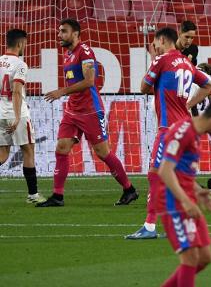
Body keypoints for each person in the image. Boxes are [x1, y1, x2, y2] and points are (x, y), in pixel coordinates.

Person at [37, 19, 137, 207]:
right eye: (59, 31)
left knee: (102, 153)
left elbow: (90, 81)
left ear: (75, 33)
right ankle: (57, 197)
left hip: (91, 110)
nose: (59, 35)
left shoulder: (85, 51)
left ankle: (129, 189)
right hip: (73, 110)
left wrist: (61, 92)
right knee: (61, 149)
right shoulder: (68, 54)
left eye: (63, 31)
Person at [126, 27, 211, 239]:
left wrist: (154, 59)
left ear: (162, 40)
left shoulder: (162, 59)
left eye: (156, 43)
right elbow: (209, 85)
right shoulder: (187, 63)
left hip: (169, 129)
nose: (155, 46)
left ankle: (149, 226)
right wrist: (189, 103)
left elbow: (144, 87)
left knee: (155, 173)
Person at [157, 100, 211, 287]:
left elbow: (181, 172)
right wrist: (185, 201)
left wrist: (198, 191)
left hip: (188, 198)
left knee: (205, 257)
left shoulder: (195, 133)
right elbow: (165, 170)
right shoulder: (182, 132)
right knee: (191, 258)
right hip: (173, 202)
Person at [0, 29, 45, 203]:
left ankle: (33, 195)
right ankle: (33, 195)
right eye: (25, 44)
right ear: (20, 44)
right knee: (28, 150)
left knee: (3, 154)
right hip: (16, 114)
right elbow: (17, 91)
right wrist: (17, 117)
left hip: (0, 112)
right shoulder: (20, 64)